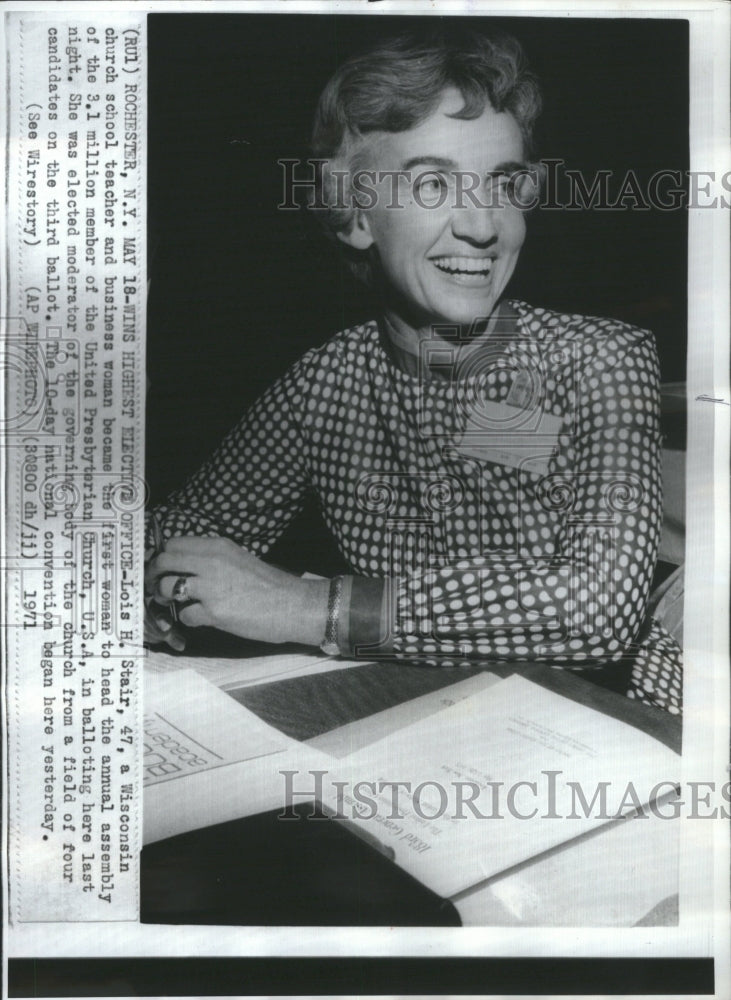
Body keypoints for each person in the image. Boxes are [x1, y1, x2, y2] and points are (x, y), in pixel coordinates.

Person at [145, 28, 682, 715]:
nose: (482, 226)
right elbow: (186, 525)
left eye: (503, 183)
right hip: (413, 718)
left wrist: (308, 605)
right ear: (354, 215)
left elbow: (594, 612)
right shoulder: (327, 384)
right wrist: (160, 583)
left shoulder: (596, 360)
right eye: (433, 183)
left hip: (601, 723)